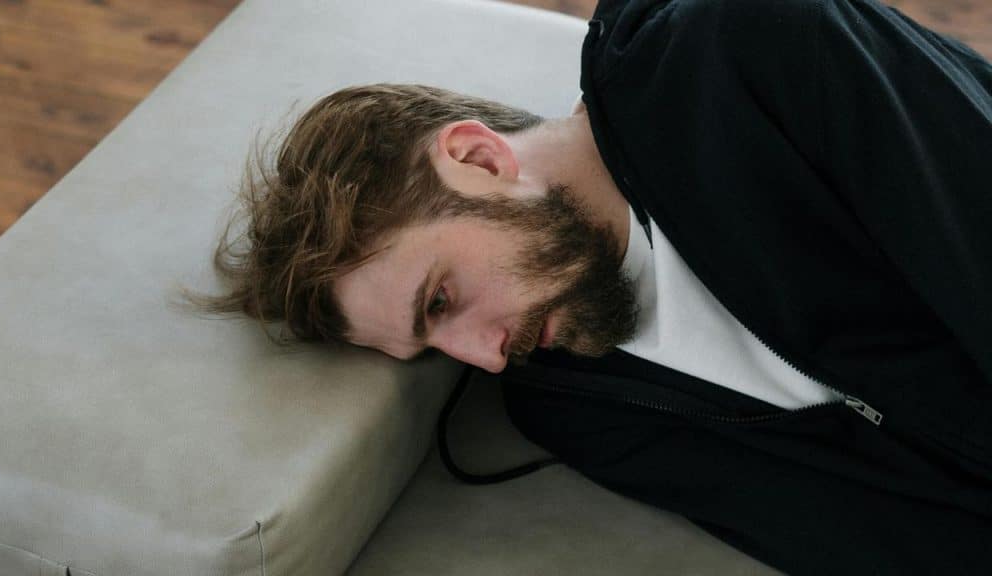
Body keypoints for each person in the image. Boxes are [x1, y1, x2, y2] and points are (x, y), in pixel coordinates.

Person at [190, 0, 992, 573]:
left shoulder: (746, 46)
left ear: (478, 159)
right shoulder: (575, 407)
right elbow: (862, 541)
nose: (485, 357)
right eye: (430, 345)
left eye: (440, 301)